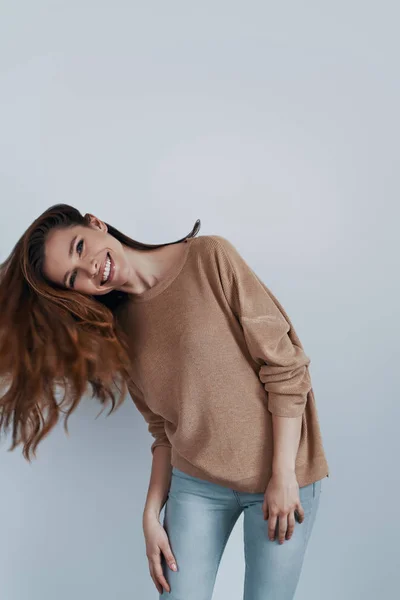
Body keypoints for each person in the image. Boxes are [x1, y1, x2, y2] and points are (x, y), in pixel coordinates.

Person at [0, 203, 329, 599]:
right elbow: (163, 431)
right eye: (74, 277)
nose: (90, 268)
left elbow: (287, 369)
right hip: (197, 487)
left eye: (80, 247)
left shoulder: (209, 257)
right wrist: (151, 514)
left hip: (284, 471)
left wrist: (283, 475)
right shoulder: (117, 331)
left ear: (96, 223)